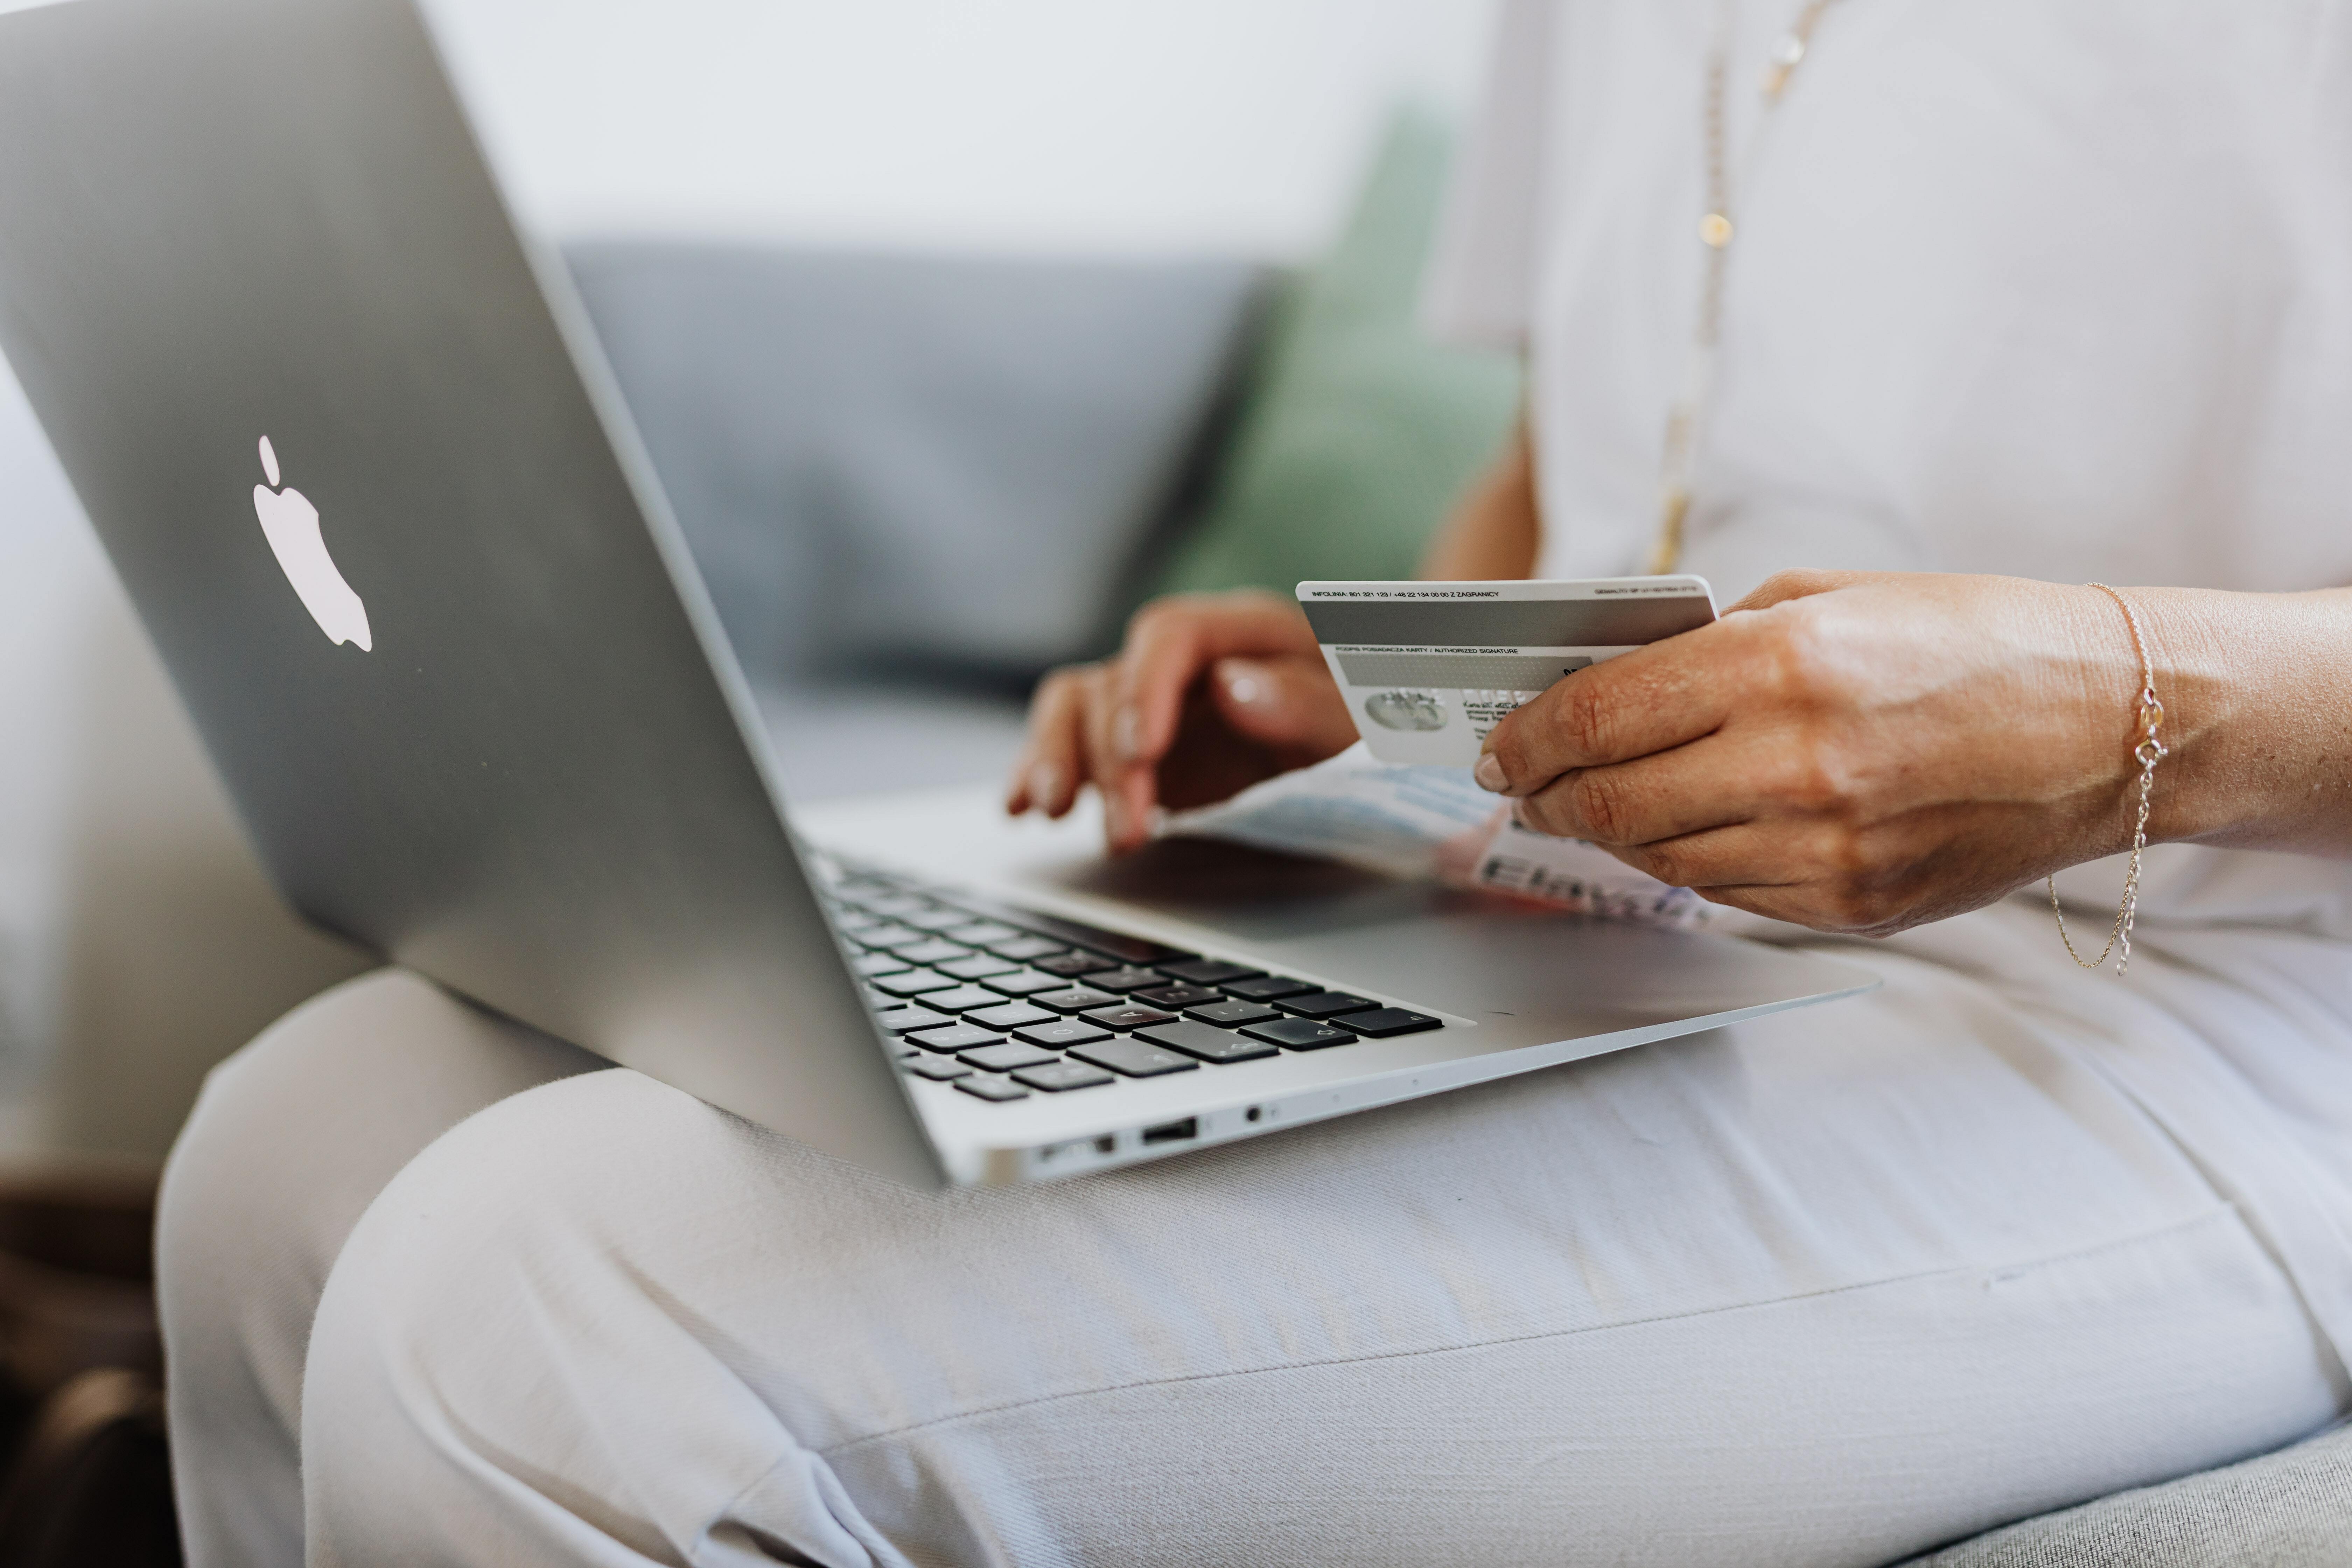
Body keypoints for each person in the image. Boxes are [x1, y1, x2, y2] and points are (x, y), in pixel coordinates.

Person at [159, 2, 2352, 1564]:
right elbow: (1561, 460)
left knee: (541, 1331)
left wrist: (2120, 705)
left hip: (2170, 1006)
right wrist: (1409, 678)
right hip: (1611, 903)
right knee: (302, 1142)